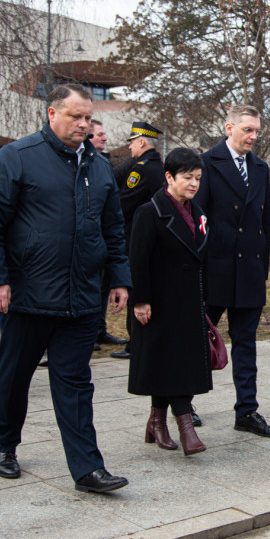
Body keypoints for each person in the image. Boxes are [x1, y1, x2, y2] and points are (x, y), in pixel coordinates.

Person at [0, 84, 131, 493]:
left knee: (75, 383)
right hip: (27, 295)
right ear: (51, 114)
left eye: (88, 117)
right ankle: (3, 445)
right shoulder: (17, 158)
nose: (83, 124)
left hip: (81, 298)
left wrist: (120, 277)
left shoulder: (98, 166)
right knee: (14, 375)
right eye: (75, 116)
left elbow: (112, 228)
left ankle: (87, 469)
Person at [194, 104, 270, 438]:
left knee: (246, 343)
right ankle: (185, 405)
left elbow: (261, 220)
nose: (253, 137)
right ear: (229, 128)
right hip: (214, 268)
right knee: (201, 340)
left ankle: (247, 410)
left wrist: (261, 267)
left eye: (257, 131)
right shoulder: (206, 162)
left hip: (248, 270)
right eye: (248, 130)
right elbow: (197, 218)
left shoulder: (259, 168)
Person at [128, 148, 212, 455]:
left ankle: (157, 422)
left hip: (188, 302)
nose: (193, 184)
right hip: (159, 303)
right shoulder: (149, 212)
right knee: (173, 364)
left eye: (198, 178)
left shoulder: (199, 212)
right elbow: (137, 259)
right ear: (169, 177)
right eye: (187, 177)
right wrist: (141, 300)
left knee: (170, 364)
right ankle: (185, 427)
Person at [110, 120, 164, 360]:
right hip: (156, 236)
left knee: (136, 287)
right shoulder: (159, 167)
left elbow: (123, 204)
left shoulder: (140, 169)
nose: (130, 148)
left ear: (141, 142)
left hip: (136, 236)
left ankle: (135, 344)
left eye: (132, 143)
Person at [91, 119, 127, 350]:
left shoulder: (103, 165)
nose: (104, 138)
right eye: (99, 135)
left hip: (103, 244)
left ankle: (98, 331)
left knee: (102, 290)